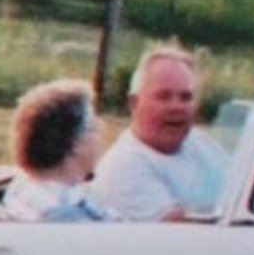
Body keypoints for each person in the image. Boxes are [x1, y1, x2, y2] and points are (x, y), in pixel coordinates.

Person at [91, 45, 230, 220]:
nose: (177, 107)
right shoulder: (125, 166)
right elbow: (182, 231)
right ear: (134, 103)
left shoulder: (200, 142)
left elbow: (243, 191)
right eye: (164, 97)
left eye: (186, 97)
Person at [0, 79, 118, 222]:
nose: (102, 130)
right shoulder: (67, 219)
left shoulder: (18, 192)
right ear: (76, 143)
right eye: (93, 126)